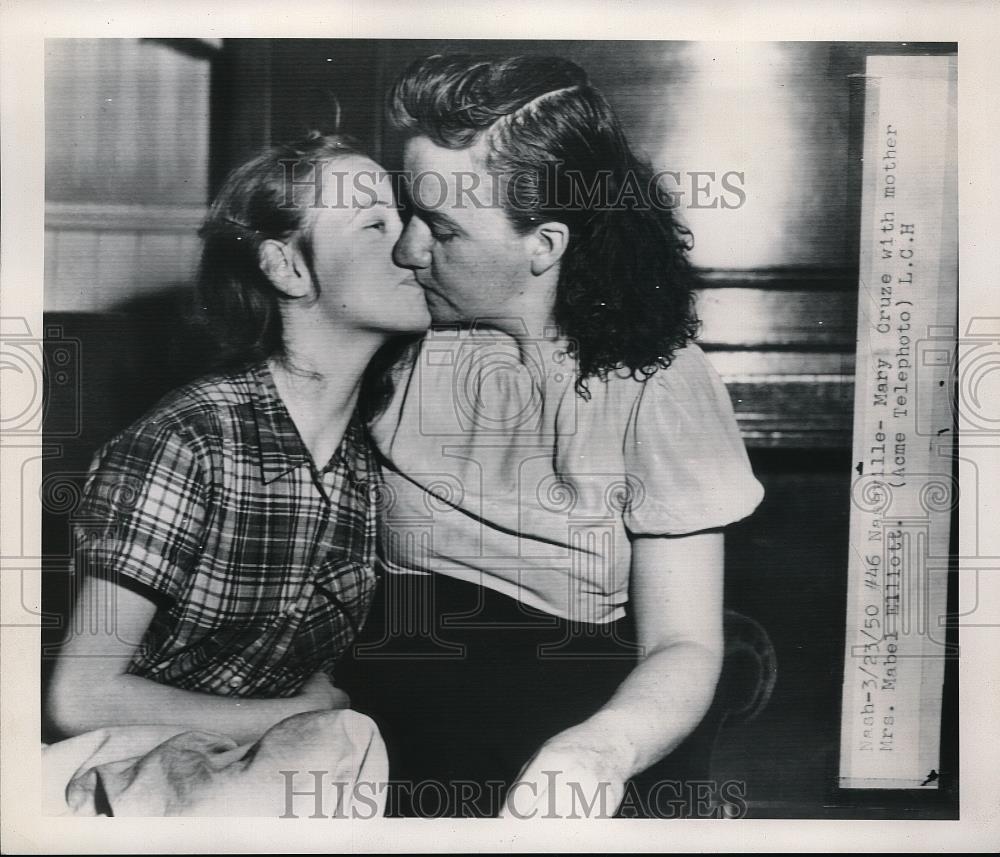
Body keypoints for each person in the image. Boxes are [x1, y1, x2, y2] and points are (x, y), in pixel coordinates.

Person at [339, 55, 766, 818]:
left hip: (566, 695)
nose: (405, 249)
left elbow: (682, 643)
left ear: (545, 244)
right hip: (390, 676)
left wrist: (600, 750)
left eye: (440, 227)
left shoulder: (659, 384)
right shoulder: (399, 331)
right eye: (407, 211)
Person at [46, 133, 430, 745]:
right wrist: (310, 717)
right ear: (288, 267)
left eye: (406, 219)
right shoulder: (189, 440)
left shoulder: (366, 457)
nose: (415, 244)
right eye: (374, 226)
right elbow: (79, 699)